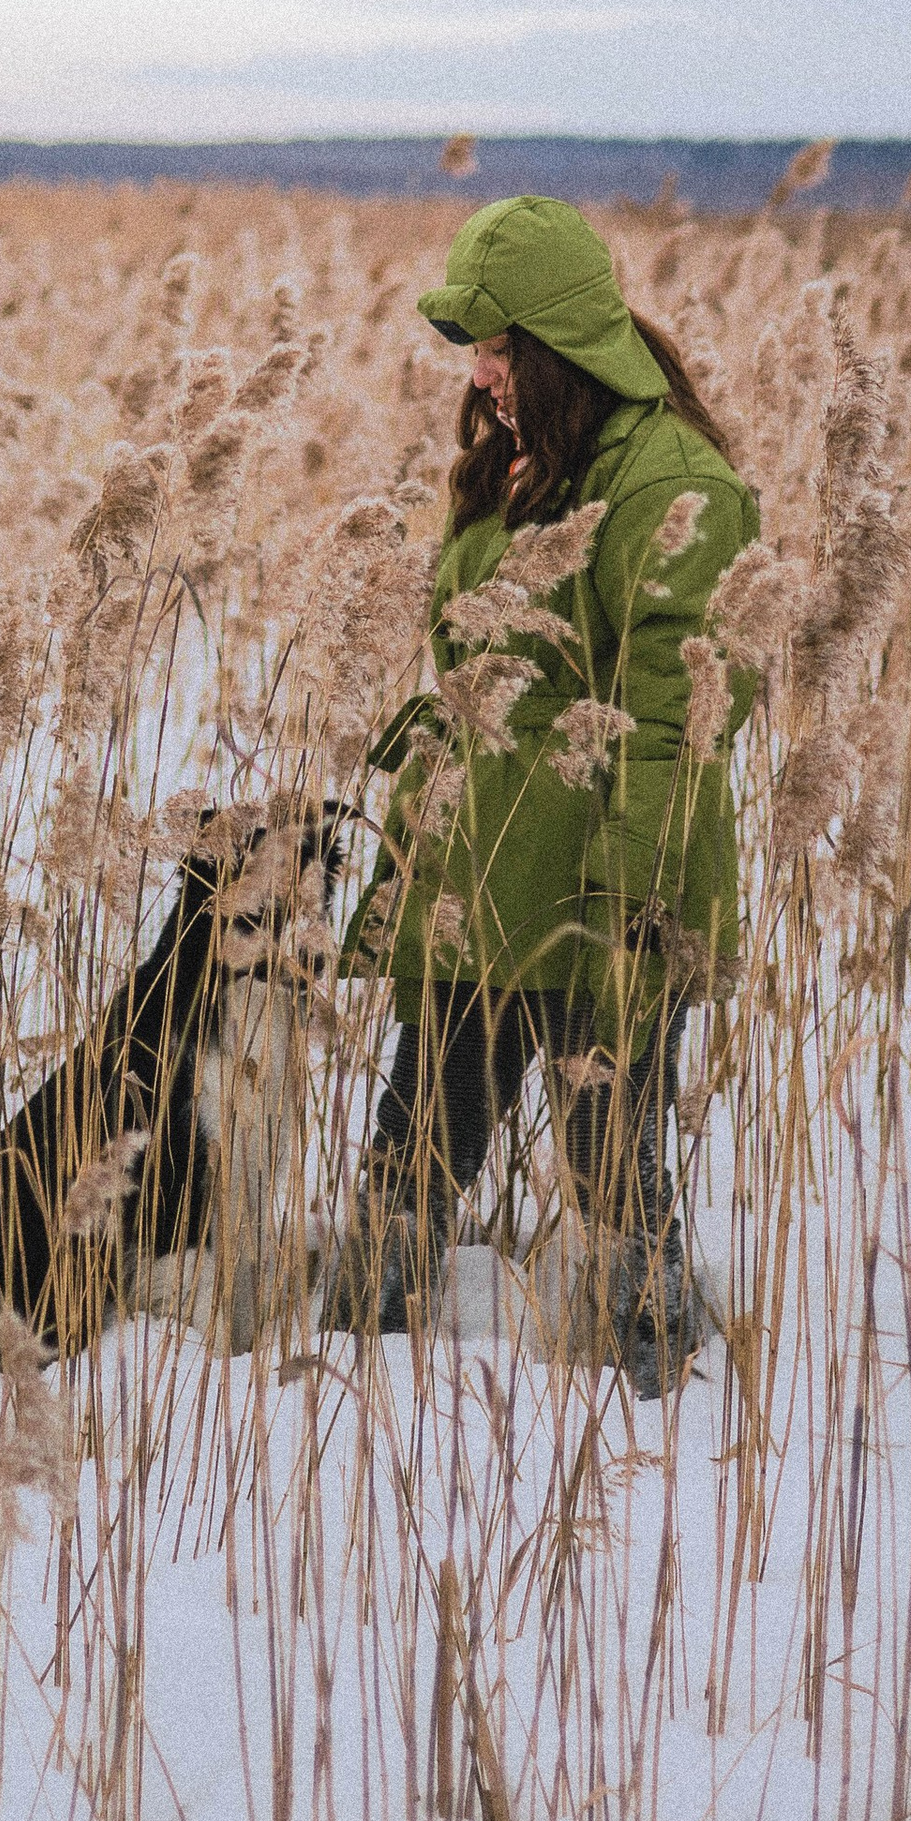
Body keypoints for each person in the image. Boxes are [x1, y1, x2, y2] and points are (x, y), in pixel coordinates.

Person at [323, 194, 759, 1393]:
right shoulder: (528, 457)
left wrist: (630, 899)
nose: (483, 371)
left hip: (597, 891)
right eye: (477, 347)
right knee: (417, 1144)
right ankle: (355, 1384)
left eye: (502, 347)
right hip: (486, 870)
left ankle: (661, 1393)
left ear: (560, 346)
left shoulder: (673, 482)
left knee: (610, 1164)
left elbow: (682, 712)